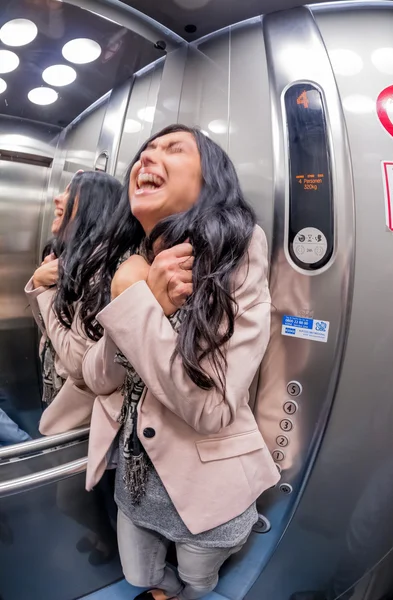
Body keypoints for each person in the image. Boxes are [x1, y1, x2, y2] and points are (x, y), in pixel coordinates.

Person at [82, 124, 280, 600]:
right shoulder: (128, 263)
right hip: (133, 482)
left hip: (210, 489)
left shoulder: (238, 252)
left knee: (197, 580)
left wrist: (137, 304)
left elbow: (209, 409)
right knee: (141, 576)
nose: (146, 159)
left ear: (210, 181)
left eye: (172, 149)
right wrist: (141, 299)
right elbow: (96, 377)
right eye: (144, 151)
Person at [25, 170, 122, 434]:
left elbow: (76, 361)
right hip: (55, 385)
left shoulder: (99, 270)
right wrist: (40, 281)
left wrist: (43, 289)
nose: (58, 199)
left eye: (70, 193)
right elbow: (46, 325)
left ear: (94, 206)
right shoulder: (66, 259)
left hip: (81, 414)